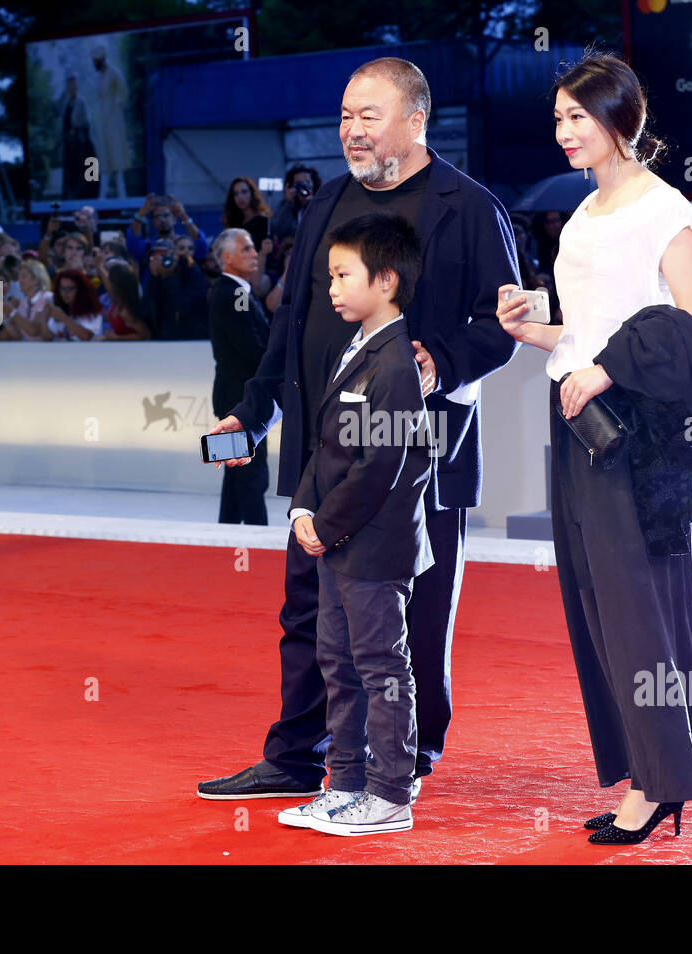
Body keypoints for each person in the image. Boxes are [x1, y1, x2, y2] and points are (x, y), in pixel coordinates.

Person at [198, 56, 519, 803]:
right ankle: (296, 755)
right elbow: (293, 331)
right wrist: (252, 411)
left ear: (415, 120)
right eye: (344, 116)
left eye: (367, 115)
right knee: (308, 610)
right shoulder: (324, 207)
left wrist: (438, 363)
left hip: (420, 454)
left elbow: (497, 331)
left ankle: (404, 758)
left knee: (416, 613)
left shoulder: (470, 209)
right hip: (325, 458)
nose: (350, 130)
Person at [496, 52, 692, 845]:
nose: (564, 132)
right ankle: (660, 766)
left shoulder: (660, 205)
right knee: (602, 609)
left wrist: (605, 369)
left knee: (638, 608)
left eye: (578, 117)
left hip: (635, 431)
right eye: (558, 118)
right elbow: (591, 330)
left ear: (620, 119)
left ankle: (660, 782)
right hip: (578, 422)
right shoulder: (582, 215)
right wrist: (537, 332)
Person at [278, 213, 433, 835]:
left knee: (381, 669)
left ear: (386, 281)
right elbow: (326, 446)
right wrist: (302, 508)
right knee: (338, 665)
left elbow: (381, 469)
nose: (333, 287)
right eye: (330, 275)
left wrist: (325, 524)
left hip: (374, 547)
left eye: (344, 275)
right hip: (342, 543)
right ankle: (344, 783)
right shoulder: (358, 349)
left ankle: (391, 792)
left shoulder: (395, 363)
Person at [207, 229, 271, 525]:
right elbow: (252, 348)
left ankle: (227, 536)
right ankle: (258, 542)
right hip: (239, 400)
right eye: (246, 249)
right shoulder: (231, 293)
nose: (254, 253)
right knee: (249, 475)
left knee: (237, 476)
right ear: (227, 257)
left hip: (236, 397)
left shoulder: (236, 291)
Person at [88, 45, 128, 199]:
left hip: (114, 118)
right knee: (104, 156)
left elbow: (123, 92)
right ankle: (102, 195)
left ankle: (122, 195)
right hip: (102, 118)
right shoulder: (97, 77)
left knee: (117, 154)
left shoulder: (114, 73)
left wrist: (116, 105)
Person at [60, 74, 97, 200]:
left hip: (82, 143)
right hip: (71, 146)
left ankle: (92, 196)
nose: (72, 88)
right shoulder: (67, 104)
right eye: (69, 86)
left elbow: (86, 120)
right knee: (72, 173)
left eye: (73, 85)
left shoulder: (81, 102)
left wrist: (75, 128)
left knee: (89, 170)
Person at [100, 262, 149, 340]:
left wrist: (116, 337)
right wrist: (99, 266)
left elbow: (144, 335)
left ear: (117, 285)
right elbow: (107, 283)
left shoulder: (127, 311)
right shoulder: (117, 301)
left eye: (110, 280)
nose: (108, 282)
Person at [223, 176, 272, 250]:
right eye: (236, 193)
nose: (240, 197)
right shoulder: (233, 222)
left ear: (252, 193)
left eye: (244, 192)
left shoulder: (262, 221)